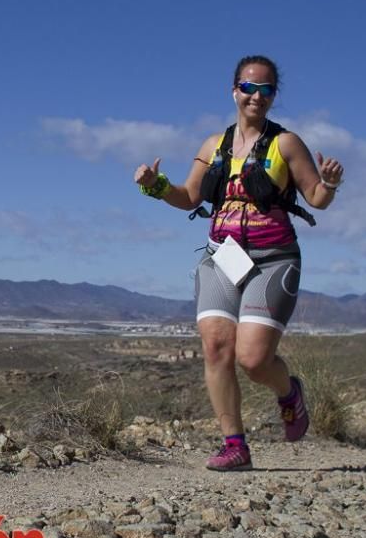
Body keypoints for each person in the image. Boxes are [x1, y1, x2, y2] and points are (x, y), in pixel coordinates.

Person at [133, 55, 344, 470]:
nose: (255, 96)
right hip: (222, 256)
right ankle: (235, 445)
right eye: (248, 87)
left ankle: (289, 393)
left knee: (253, 360)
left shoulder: (286, 144)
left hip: (273, 259)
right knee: (215, 346)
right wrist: (155, 186)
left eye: (265, 90)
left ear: (273, 97)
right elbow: (190, 197)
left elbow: (316, 197)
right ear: (234, 90)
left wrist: (331, 183)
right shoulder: (214, 146)